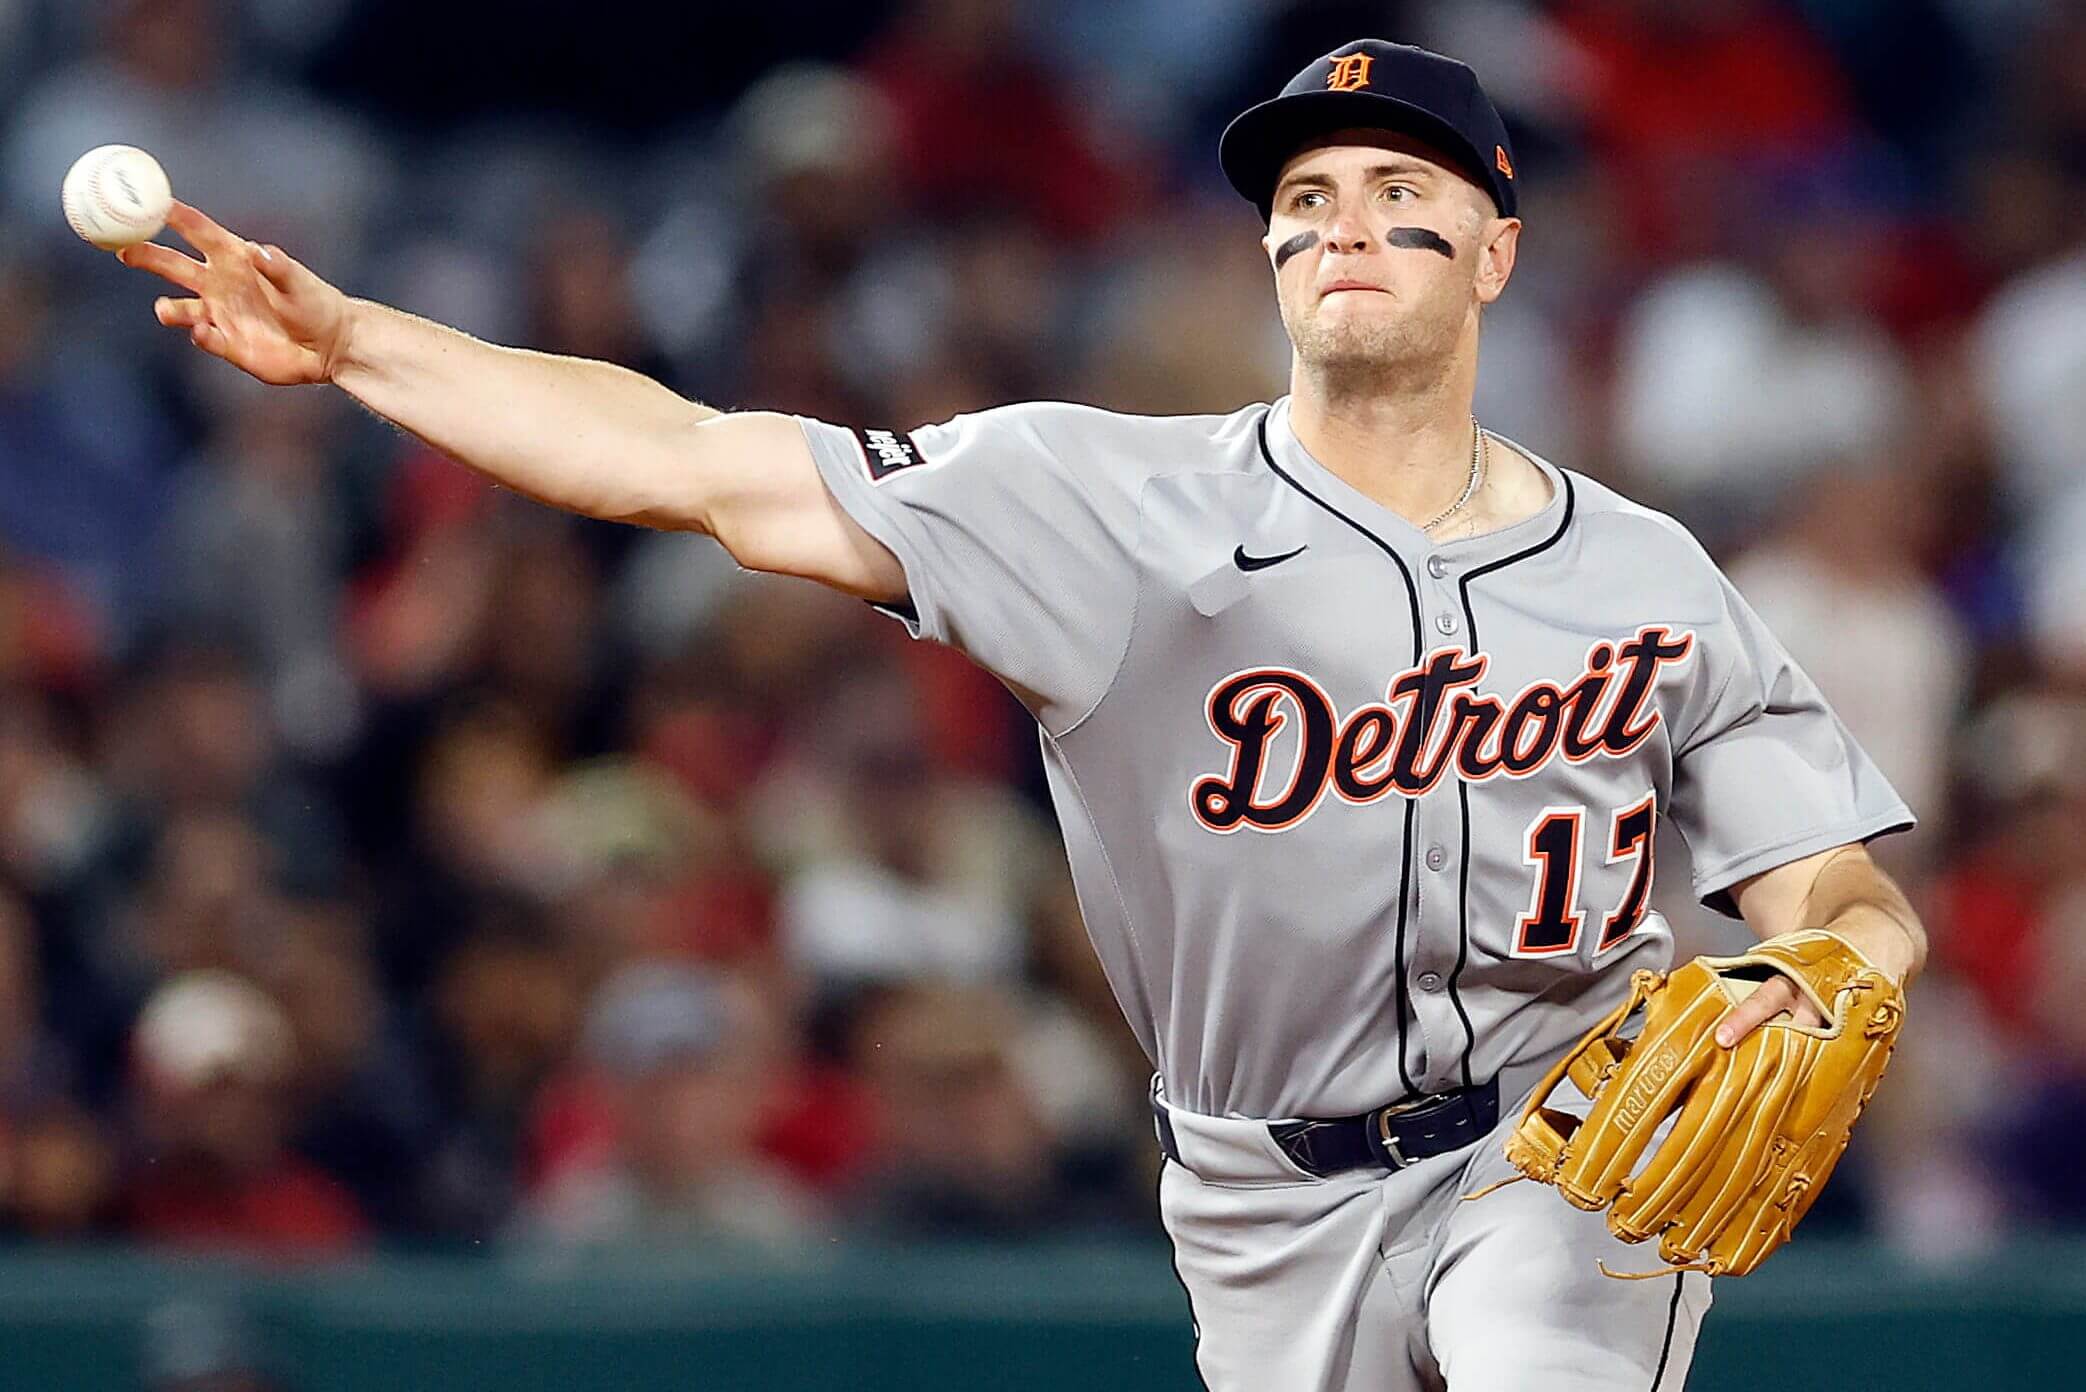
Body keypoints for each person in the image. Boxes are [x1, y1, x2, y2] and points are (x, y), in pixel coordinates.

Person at [118, 37, 1926, 1392]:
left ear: (1496, 256)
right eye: (1305, 202)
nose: (1340, 225)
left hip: (1568, 1128)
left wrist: (1817, 964)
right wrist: (362, 345)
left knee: (1532, 1350)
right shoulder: (1093, 501)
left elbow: (1839, 894)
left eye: (1401, 197)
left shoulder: (1643, 571)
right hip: (1254, 1178)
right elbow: (693, 462)